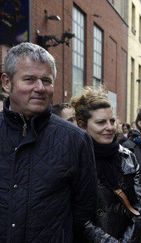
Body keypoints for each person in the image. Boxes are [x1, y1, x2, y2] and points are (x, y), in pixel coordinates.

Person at [0, 42, 96, 242]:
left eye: (46, 80)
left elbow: (84, 215)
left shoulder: (75, 140)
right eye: (29, 80)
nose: (40, 88)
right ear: (7, 83)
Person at [71, 87, 141, 242]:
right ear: (82, 124)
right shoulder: (73, 158)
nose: (110, 127)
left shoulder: (127, 156)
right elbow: (76, 215)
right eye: (101, 122)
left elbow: (140, 208)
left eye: (112, 121)